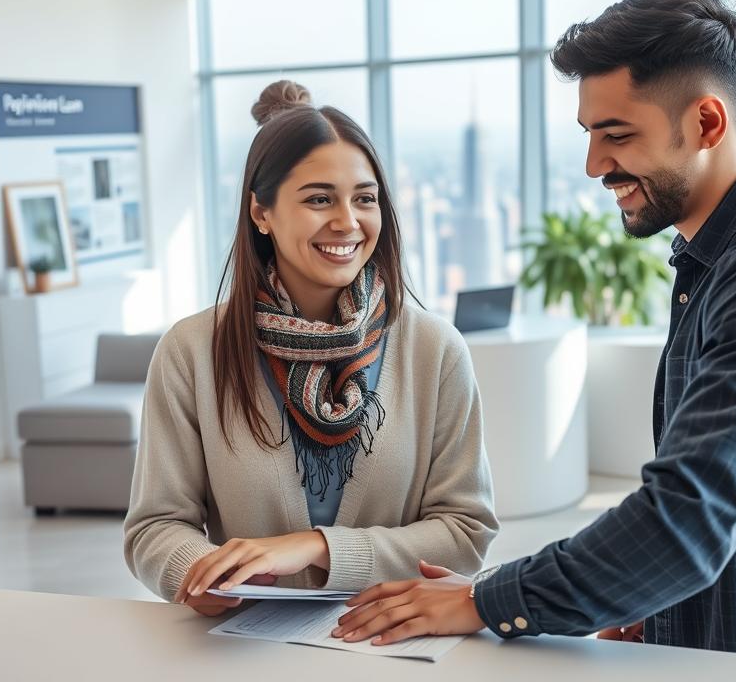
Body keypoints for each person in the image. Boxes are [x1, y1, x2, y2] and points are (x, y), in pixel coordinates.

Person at [332, 0, 736, 668]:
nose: (594, 165)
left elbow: (688, 517)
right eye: (591, 134)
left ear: (706, 124)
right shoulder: (720, 261)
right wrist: (659, 606)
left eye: (617, 135)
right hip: (724, 648)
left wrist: (483, 601)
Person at [123, 81, 498, 616]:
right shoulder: (192, 351)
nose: (347, 221)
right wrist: (197, 574)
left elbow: (465, 532)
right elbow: (155, 527)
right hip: (244, 648)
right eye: (319, 198)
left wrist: (321, 549)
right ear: (262, 213)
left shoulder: (433, 349)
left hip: (392, 643)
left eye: (364, 199)